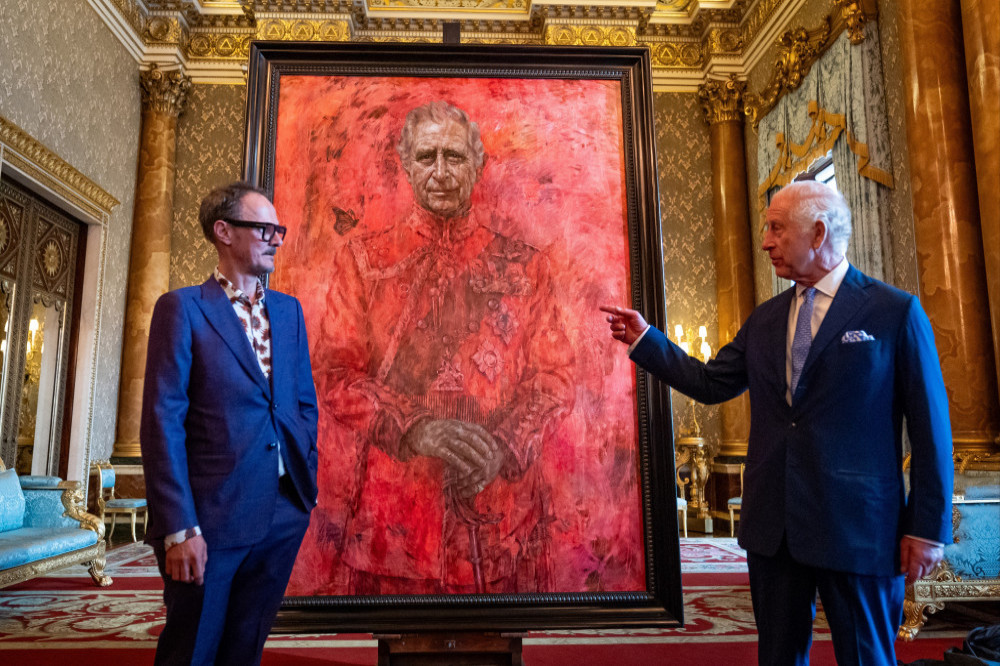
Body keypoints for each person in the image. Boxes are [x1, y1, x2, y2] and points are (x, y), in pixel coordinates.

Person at [601, 181, 953, 665]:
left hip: (859, 529)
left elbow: (932, 428)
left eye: (776, 228)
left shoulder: (893, 312)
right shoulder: (766, 319)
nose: (765, 241)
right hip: (775, 527)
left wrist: (927, 527)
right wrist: (648, 342)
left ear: (818, 233)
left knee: (867, 656)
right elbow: (710, 383)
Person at [315, 100, 574, 595]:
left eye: (454, 157)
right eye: (427, 156)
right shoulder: (362, 261)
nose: (440, 172)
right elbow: (336, 374)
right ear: (407, 164)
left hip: (500, 518)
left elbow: (554, 378)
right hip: (397, 519)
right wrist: (416, 430)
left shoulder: (526, 266)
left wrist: (503, 447)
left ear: (477, 165)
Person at [140, 182, 319, 665]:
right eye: (263, 228)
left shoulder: (288, 312)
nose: (275, 238)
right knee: (192, 649)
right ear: (224, 232)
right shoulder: (182, 309)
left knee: (246, 647)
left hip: (282, 513)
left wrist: (304, 484)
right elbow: (163, 422)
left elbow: (303, 404)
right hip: (209, 521)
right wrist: (179, 528)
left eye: (277, 229)